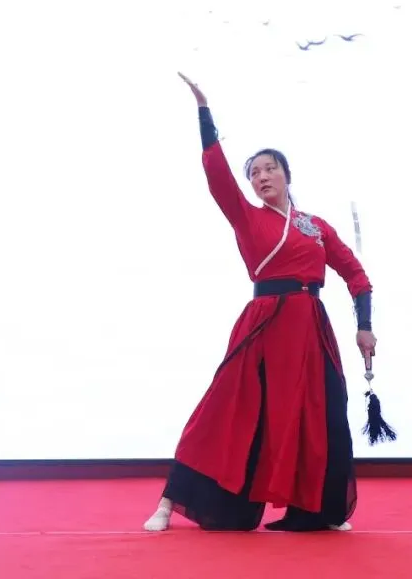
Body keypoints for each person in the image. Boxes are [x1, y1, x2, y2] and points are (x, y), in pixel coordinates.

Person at [142, 72, 378, 533]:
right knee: (227, 407)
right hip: (265, 322)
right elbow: (217, 175)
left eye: (269, 168)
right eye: (254, 173)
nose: (261, 177)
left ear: (287, 175)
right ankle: (171, 501)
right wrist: (204, 112)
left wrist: (364, 325)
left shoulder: (317, 227)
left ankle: (318, 510)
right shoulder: (246, 217)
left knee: (319, 412)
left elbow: (356, 275)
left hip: (310, 327)